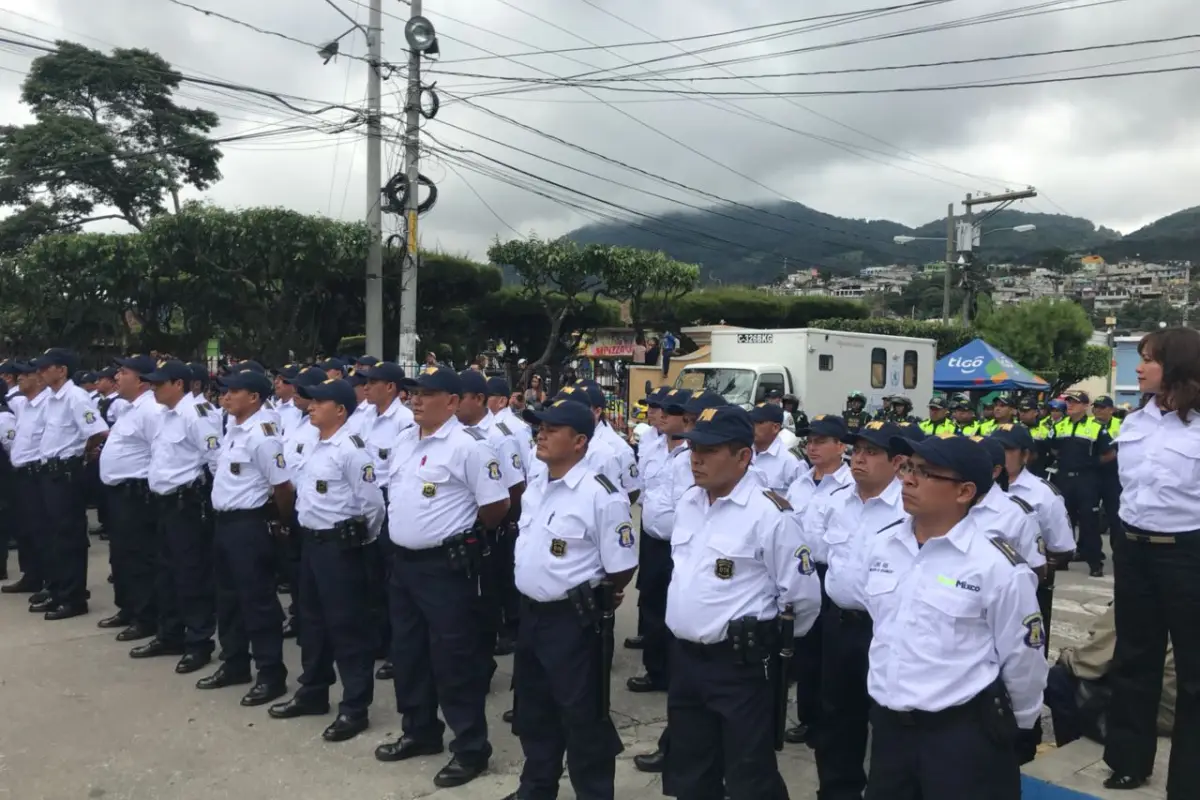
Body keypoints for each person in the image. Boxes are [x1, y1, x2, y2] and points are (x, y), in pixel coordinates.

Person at [863, 434, 1048, 799]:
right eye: (909, 468)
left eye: (927, 472)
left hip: (961, 734)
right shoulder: (883, 545)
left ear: (964, 492)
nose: (909, 479)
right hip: (890, 729)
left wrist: (1019, 725)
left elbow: (1023, 660)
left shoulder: (995, 565)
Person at [664, 404, 822, 799]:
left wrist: (767, 643)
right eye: (694, 447)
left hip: (740, 665)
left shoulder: (770, 515)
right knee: (690, 769)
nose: (695, 458)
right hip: (685, 659)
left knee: (749, 775)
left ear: (742, 456)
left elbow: (802, 600)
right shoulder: (689, 503)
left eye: (710, 450)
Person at [374, 367, 510, 789]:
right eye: (414, 392)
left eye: (427, 393)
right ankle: (420, 731)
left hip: (446, 569)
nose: (416, 399)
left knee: (454, 659)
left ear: (452, 402)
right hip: (404, 565)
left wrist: (460, 536)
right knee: (409, 653)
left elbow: (496, 507)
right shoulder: (403, 441)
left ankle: (470, 748)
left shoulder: (469, 447)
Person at [504, 399, 637, 800]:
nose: (540, 434)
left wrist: (601, 597)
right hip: (532, 615)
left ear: (579, 441)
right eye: (539, 426)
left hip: (574, 621)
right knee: (534, 711)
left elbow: (621, 565)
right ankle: (537, 787)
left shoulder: (601, 495)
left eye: (552, 428)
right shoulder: (538, 484)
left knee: (583, 718)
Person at [1102, 327, 1200, 796]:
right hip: (1135, 549)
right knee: (1134, 658)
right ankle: (1128, 760)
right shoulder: (1135, 421)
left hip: (1188, 554)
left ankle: (1188, 779)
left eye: (1148, 359)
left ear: (1177, 366)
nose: (1137, 367)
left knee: (1193, 673)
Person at [267, 379, 385, 743]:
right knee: (312, 623)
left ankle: (354, 706)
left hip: (340, 548)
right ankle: (314, 690)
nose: (311, 405)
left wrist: (359, 542)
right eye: (311, 400)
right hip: (312, 544)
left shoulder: (350, 450)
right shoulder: (317, 444)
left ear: (340, 409)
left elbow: (373, 507)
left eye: (320, 401)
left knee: (347, 628)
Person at [804, 421, 906, 800]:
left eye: (871, 452)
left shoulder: (907, 508)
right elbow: (821, 556)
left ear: (897, 462)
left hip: (884, 629)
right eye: (857, 450)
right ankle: (837, 792)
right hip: (839, 623)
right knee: (835, 719)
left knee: (886, 721)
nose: (859, 459)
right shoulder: (838, 502)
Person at [195, 368, 295, 706]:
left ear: (253, 397)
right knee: (228, 599)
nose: (224, 396)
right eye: (223, 391)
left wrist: (281, 521)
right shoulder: (235, 428)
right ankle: (235, 663)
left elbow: (282, 487)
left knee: (258, 602)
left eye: (232, 391)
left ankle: (271, 673)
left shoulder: (263, 435)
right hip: (224, 523)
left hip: (249, 526)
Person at [140, 360, 221, 673]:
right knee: (166, 572)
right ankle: (170, 633)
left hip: (187, 504)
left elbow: (215, 461)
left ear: (178, 384)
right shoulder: (164, 415)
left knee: (192, 574)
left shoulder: (196, 415)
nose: (153, 388)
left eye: (159, 384)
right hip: (163, 503)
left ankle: (199, 641)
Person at [782, 415, 852, 746]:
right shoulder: (800, 482)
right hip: (801, 570)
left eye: (821, 441)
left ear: (841, 446)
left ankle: (832, 720)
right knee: (805, 651)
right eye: (810, 440)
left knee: (833, 653)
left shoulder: (851, 486)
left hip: (832, 573)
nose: (812, 446)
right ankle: (808, 717)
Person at [456, 369, 527, 663]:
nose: (454, 404)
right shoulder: (456, 434)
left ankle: (504, 634)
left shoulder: (499, 436)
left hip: (492, 527)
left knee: (494, 588)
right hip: (463, 533)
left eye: (459, 398)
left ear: (479, 399)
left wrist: (498, 525)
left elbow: (515, 486)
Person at [34, 348, 109, 620]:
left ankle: (73, 597)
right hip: (51, 472)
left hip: (67, 473)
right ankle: (57, 591)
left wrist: (84, 453)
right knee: (54, 536)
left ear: (62, 370)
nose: (40, 372)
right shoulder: (53, 399)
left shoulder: (75, 397)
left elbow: (98, 431)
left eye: (46, 367)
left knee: (69, 538)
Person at [991, 424, 1075, 655]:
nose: (998, 453)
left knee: (1028, 654)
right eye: (995, 447)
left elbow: (1062, 546)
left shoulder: (1043, 494)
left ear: (1025, 455)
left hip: (1029, 589)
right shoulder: (978, 485)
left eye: (1007, 449)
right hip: (984, 589)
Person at [1046, 601, 1175, 749]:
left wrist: (1065, 654)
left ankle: (1071, 747)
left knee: (1057, 678)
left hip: (1156, 712)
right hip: (1184, 708)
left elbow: (1088, 663)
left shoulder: (1139, 597)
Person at [99, 354, 164, 642]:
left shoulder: (151, 410)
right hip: (118, 493)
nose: (117, 377)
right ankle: (127, 607)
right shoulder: (127, 408)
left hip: (136, 493)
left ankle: (146, 616)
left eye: (123, 372)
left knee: (138, 556)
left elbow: (159, 453)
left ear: (140, 380)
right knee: (121, 555)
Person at [360, 362, 416, 680]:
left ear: (391, 388)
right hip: (367, 501)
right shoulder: (367, 417)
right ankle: (379, 641)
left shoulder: (404, 420)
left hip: (389, 501)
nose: (366, 387)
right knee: (372, 579)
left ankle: (397, 650)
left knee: (391, 580)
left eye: (373, 382)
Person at [1049, 390, 1113, 578]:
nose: (1070, 405)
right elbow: (1052, 448)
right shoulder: (1060, 426)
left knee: (1089, 522)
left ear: (1085, 406)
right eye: (1068, 402)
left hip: (1086, 480)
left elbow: (1110, 453)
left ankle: (1094, 562)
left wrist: (1091, 464)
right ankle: (1063, 560)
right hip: (1064, 479)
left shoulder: (1096, 427)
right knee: (1065, 520)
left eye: (1075, 402)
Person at [625, 387, 669, 653]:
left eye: (656, 407)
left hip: (670, 528)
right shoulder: (648, 437)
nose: (650, 412)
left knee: (661, 585)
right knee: (647, 580)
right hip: (649, 517)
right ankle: (646, 631)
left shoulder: (681, 445)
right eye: (649, 406)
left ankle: (657, 640)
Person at [1, 362, 47, 596]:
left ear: (39, 379)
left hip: (37, 473)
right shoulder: (24, 404)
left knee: (39, 529)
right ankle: (31, 575)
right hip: (21, 474)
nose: (20, 378)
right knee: (25, 529)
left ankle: (45, 579)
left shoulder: (48, 404)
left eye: (26, 374)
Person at [1090, 394, 1124, 551]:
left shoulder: (1122, 425)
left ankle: (1117, 549)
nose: (1097, 410)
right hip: (1093, 474)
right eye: (1095, 407)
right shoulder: (1088, 424)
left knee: (1115, 515)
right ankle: (1089, 550)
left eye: (1102, 407)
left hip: (1114, 476)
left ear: (1111, 410)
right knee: (1090, 516)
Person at [748, 402, 805, 493]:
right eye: (750, 421)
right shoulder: (742, 453)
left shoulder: (791, 461)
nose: (752, 426)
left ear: (775, 427)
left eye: (759, 422)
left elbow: (801, 500)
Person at [272, 365, 304, 435]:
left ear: (293, 383)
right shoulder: (273, 406)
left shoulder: (299, 409)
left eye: (281, 379)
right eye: (276, 378)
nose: (276, 382)